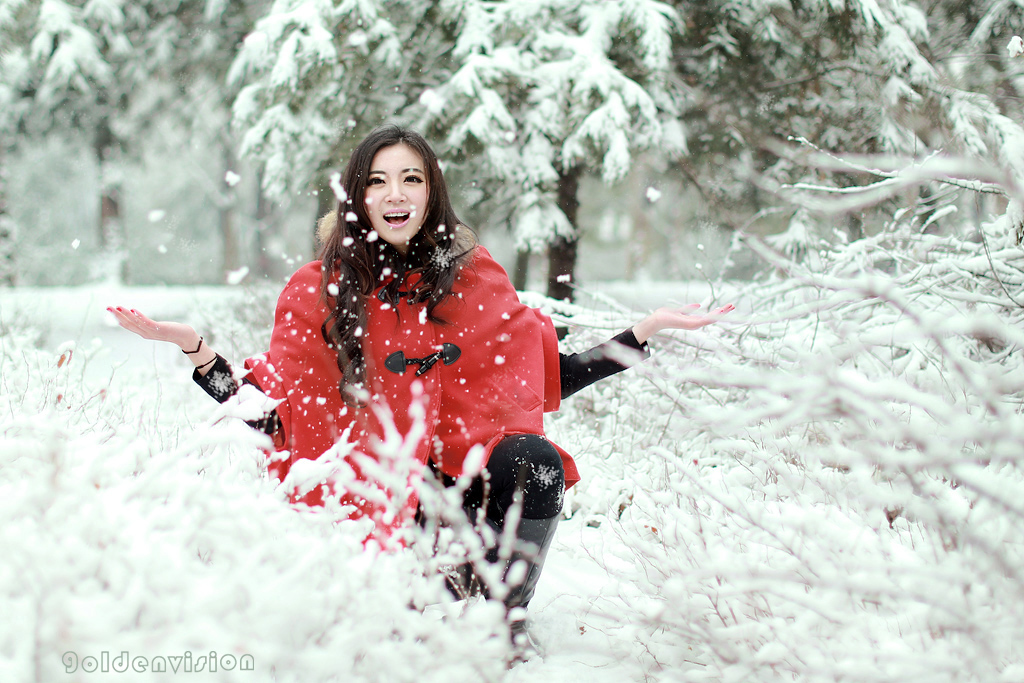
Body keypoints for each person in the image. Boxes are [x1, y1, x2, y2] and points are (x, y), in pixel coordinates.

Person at [109, 124, 733, 658]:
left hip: (463, 493)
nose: (395, 194)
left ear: (431, 191)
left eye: (411, 178)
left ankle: (500, 624)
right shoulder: (317, 290)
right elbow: (273, 414)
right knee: (393, 628)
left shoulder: (476, 277)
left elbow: (544, 377)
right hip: (376, 501)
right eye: (378, 181)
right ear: (358, 196)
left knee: (535, 464)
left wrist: (643, 332)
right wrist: (194, 348)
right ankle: (410, 600)